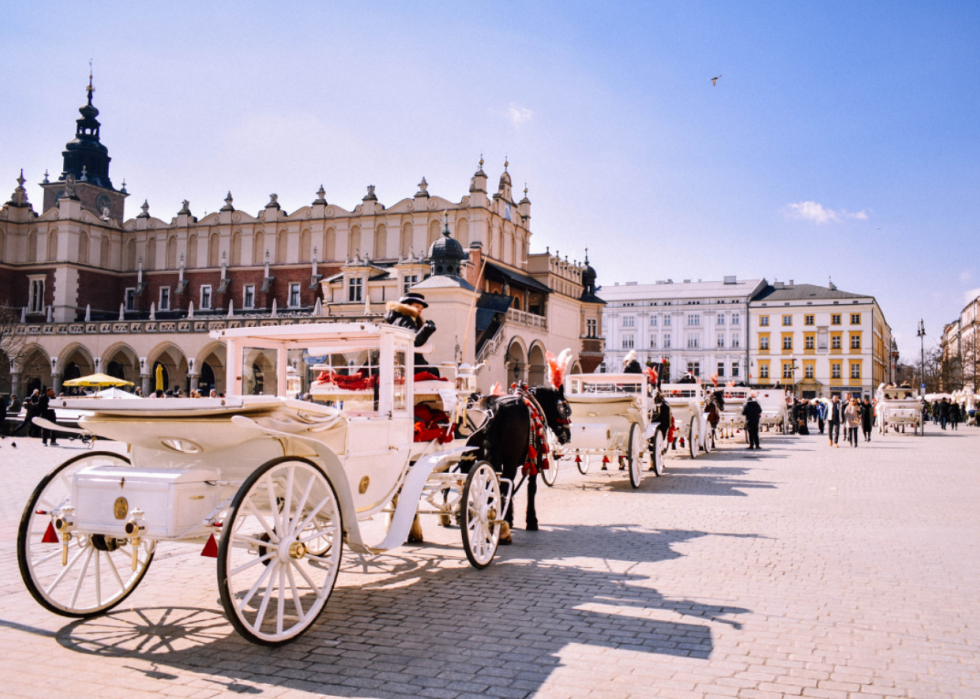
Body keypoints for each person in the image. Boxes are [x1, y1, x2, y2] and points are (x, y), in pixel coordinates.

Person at [383, 292, 438, 376]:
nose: (420, 310)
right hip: (411, 365)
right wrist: (427, 328)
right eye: (417, 306)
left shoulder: (398, 319)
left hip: (403, 364)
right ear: (406, 306)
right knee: (435, 371)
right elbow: (415, 341)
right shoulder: (406, 319)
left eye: (421, 308)